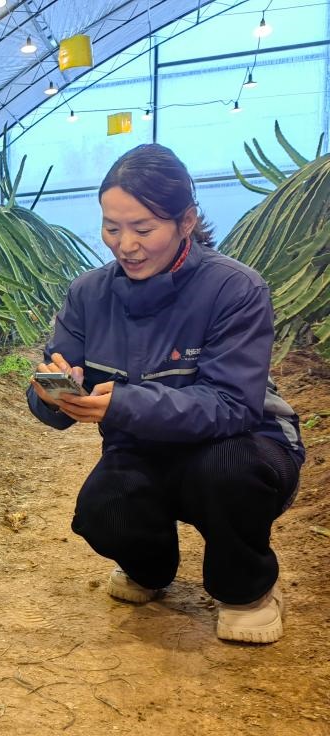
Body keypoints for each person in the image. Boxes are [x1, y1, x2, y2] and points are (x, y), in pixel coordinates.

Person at [27, 144, 305, 644]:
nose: (126, 245)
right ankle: (150, 569)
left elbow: (233, 406)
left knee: (227, 474)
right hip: (142, 445)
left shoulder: (234, 289)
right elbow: (58, 375)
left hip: (242, 443)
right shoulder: (88, 294)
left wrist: (123, 403)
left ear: (186, 222)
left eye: (143, 228)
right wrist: (51, 395)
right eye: (112, 228)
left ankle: (247, 590)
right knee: (102, 511)